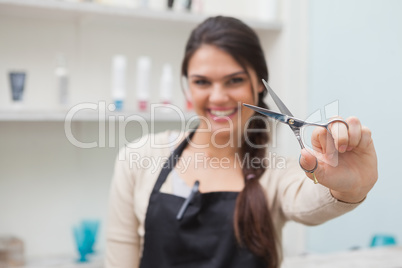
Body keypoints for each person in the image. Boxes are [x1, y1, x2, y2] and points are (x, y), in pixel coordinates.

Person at [105, 16, 377, 268]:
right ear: (188, 87)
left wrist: (350, 188)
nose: (218, 97)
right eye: (202, 82)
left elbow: (311, 201)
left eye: (234, 80)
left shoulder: (278, 173)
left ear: (259, 85)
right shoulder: (138, 158)